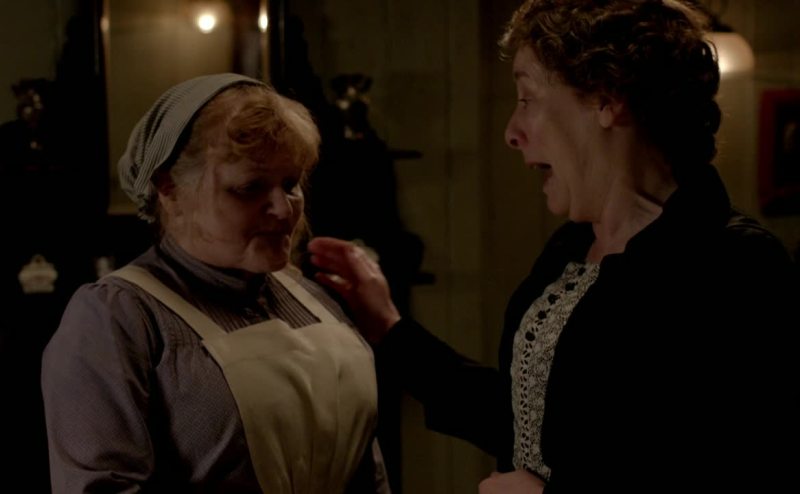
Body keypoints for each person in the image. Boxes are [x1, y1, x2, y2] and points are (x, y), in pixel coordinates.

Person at [307, 1, 799, 492]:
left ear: (606, 98)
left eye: (527, 98)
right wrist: (391, 330)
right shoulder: (572, 247)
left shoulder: (736, 263)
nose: (511, 133)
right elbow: (536, 421)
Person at [41, 73, 390, 493]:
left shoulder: (314, 299)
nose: (283, 210)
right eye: (249, 187)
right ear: (169, 189)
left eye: (291, 184)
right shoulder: (119, 318)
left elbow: (368, 472)